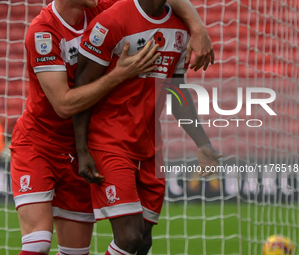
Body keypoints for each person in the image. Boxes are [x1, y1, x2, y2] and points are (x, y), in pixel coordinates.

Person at [10, 0, 215, 255]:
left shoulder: (99, 8)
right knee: (38, 242)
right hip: (41, 142)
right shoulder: (43, 32)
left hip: (80, 142)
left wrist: (198, 28)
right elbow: (63, 105)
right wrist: (120, 74)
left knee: (92, 249)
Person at [73, 0, 222, 255]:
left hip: (150, 147)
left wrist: (203, 143)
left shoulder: (180, 28)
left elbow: (177, 92)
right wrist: (82, 148)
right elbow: (82, 86)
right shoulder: (112, 22)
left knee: (142, 242)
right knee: (129, 238)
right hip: (110, 142)